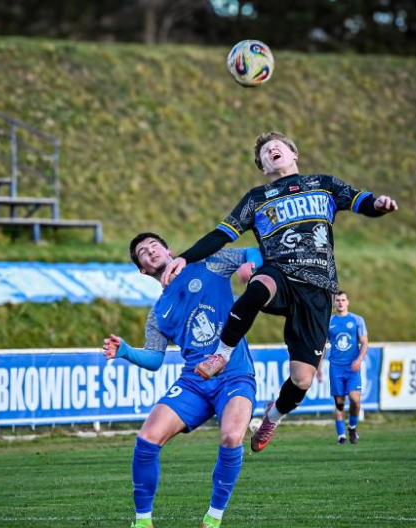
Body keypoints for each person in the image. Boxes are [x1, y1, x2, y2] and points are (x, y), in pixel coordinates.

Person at [160, 131, 397, 452]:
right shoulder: (257, 197)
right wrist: (185, 257)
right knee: (259, 285)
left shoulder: (323, 184)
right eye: (265, 151)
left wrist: (379, 204)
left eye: (278, 146)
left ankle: (273, 415)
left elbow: (361, 201)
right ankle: (223, 354)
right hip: (280, 273)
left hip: (318, 289)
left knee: (302, 380)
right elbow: (221, 235)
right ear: (262, 166)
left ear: (293, 153)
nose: (272, 149)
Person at [105, 232, 262, 528]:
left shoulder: (210, 264)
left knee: (232, 436)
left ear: (168, 251)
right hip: (194, 381)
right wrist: (125, 351)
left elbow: (254, 251)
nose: (150, 253)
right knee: (147, 439)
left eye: (153, 247)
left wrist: (252, 269)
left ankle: (212, 523)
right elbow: (153, 359)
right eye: (142, 254)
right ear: (142, 269)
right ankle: (143, 527)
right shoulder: (159, 311)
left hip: (234, 374)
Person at [317, 290, 367, 444]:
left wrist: (359, 359)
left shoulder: (357, 320)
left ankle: (352, 427)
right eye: (337, 300)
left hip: (352, 367)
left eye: (343, 300)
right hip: (336, 367)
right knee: (339, 403)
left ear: (347, 302)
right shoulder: (329, 321)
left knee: (354, 400)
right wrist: (319, 368)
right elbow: (323, 346)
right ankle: (341, 436)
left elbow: (364, 342)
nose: (340, 302)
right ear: (334, 303)